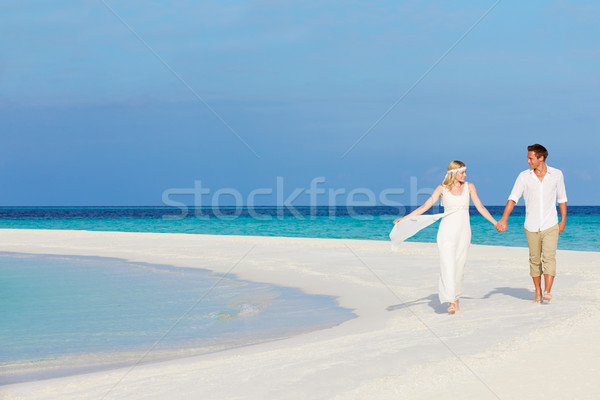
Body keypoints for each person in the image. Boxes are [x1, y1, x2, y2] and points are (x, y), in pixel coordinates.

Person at [393, 160, 498, 314]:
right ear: (454, 173)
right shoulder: (442, 189)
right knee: (448, 265)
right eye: (462, 172)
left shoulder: (470, 187)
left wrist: (495, 223)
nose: (465, 175)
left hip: (464, 232)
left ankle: (456, 299)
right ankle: (450, 301)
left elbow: (480, 207)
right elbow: (424, 207)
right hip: (446, 232)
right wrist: (403, 219)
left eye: (465, 172)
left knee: (459, 266)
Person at [496, 144, 567, 304]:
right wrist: (504, 219)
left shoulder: (557, 174)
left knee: (549, 258)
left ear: (540, 158)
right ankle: (538, 291)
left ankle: (547, 291)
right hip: (531, 225)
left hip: (550, 224)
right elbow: (513, 198)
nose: (527, 161)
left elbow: (562, 199)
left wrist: (563, 221)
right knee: (534, 260)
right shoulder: (523, 177)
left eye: (530, 158)